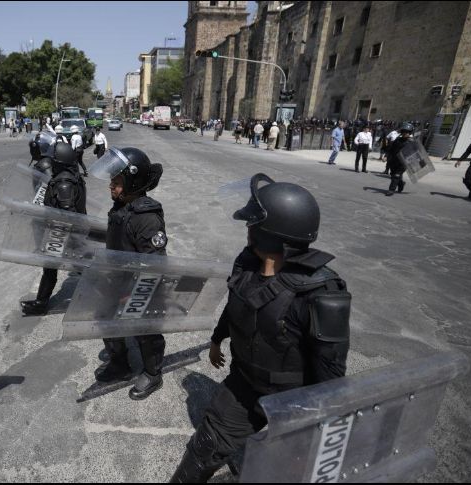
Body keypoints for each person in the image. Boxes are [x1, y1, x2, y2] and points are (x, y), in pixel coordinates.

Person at [170, 173, 350, 482]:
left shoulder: (321, 293)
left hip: (292, 400)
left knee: (283, 468)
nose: (248, 227)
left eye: (253, 223)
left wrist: (320, 426)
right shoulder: (248, 262)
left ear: (272, 232)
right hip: (244, 383)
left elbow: (330, 374)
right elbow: (237, 305)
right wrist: (217, 339)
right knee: (205, 447)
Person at [89, 147, 166, 400]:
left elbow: (155, 263)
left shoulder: (146, 216)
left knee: (144, 328)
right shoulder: (122, 206)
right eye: (112, 180)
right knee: (106, 320)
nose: (111, 185)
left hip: (140, 284)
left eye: (117, 181)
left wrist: (136, 294)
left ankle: (153, 373)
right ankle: (120, 363)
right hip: (117, 278)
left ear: (133, 182)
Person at [21, 143, 87, 316]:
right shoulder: (71, 176)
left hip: (63, 233)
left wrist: (63, 238)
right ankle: (41, 302)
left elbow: (69, 214)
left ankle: (103, 298)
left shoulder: (64, 183)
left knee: (80, 267)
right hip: (62, 232)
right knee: (52, 267)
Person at [384, 122, 415, 196]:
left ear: (410, 133)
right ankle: (401, 183)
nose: (405, 133)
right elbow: (391, 148)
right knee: (393, 175)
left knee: (396, 175)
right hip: (393, 160)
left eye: (407, 132)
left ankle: (391, 190)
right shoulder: (397, 140)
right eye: (404, 132)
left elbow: (416, 153)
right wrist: (386, 156)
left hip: (403, 162)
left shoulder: (411, 142)